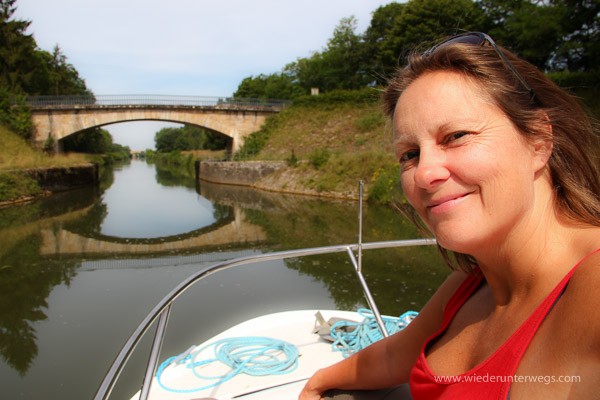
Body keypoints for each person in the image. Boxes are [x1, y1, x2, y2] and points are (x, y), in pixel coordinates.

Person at [299, 32, 600, 400]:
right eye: (409, 154)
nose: (425, 173)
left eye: (456, 136)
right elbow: (395, 356)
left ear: (538, 142)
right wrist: (319, 381)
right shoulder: (471, 283)